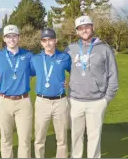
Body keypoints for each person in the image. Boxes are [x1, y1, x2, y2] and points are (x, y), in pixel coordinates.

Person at [65, 15, 119, 158]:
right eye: (81, 28)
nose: (84, 30)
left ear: (93, 27)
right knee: (76, 137)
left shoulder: (105, 49)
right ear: (77, 31)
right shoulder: (70, 49)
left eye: (87, 27)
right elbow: (58, 67)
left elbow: (113, 75)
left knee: (94, 138)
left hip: (96, 101)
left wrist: (106, 99)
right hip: (76, 101)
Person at [30, 28, 71, 158]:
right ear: (41, 42)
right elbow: (26, 75)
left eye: (50, 40)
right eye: (44, 40)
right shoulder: (35, 59)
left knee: (62, 139)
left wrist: (69, 81)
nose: (47, 43)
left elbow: (76, 73)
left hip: (60, 102)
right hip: (42, 102)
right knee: (39, 138)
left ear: (55, 40)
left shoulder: (64, 57)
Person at [0, 24, 34, 158]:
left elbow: (40, 71)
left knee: (24, 139)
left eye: (14, 36)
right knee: (6, 139)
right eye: (8, 36)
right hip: (4, 101)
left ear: (18, 37)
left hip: (23, 102)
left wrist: (61, 82)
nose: (11, 39)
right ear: (4, 39)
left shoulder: (28, 55)